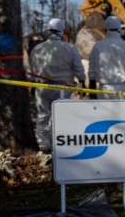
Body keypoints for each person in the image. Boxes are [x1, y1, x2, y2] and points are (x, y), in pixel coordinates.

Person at [29, 18, 86, 153]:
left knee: (43, 115)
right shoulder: (69, 48)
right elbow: (78, 67)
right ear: (62, 31)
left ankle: (43, 145)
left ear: (48, 31)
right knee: (61, 117)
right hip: (62, 88)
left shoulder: (38, 49)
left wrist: (32, 86)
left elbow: (32, 70)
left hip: (42, 88)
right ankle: (59, 145)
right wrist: (82, 80)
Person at [88, 16, 125, 99]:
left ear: (105, 29)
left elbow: (92, 70)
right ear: (119, 29)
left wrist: (92, 89)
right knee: (123, 112)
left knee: (104, 112)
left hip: (104, 90)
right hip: (123, 90)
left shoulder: (98, 46)